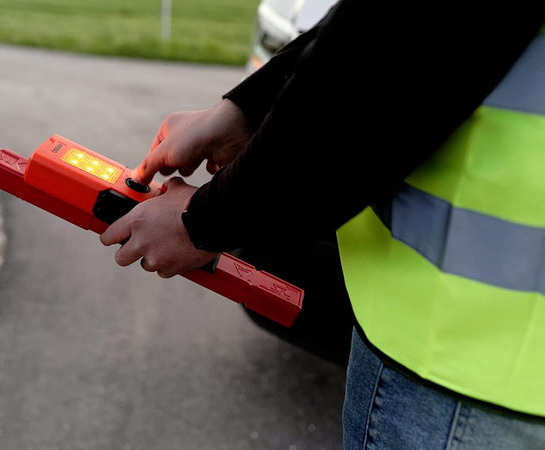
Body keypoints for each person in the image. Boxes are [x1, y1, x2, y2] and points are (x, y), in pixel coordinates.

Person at [100, 0, 545, 447]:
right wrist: (246, 108)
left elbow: (394, 40)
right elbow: (382, 23)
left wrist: (200, 222)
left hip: (456, 370)